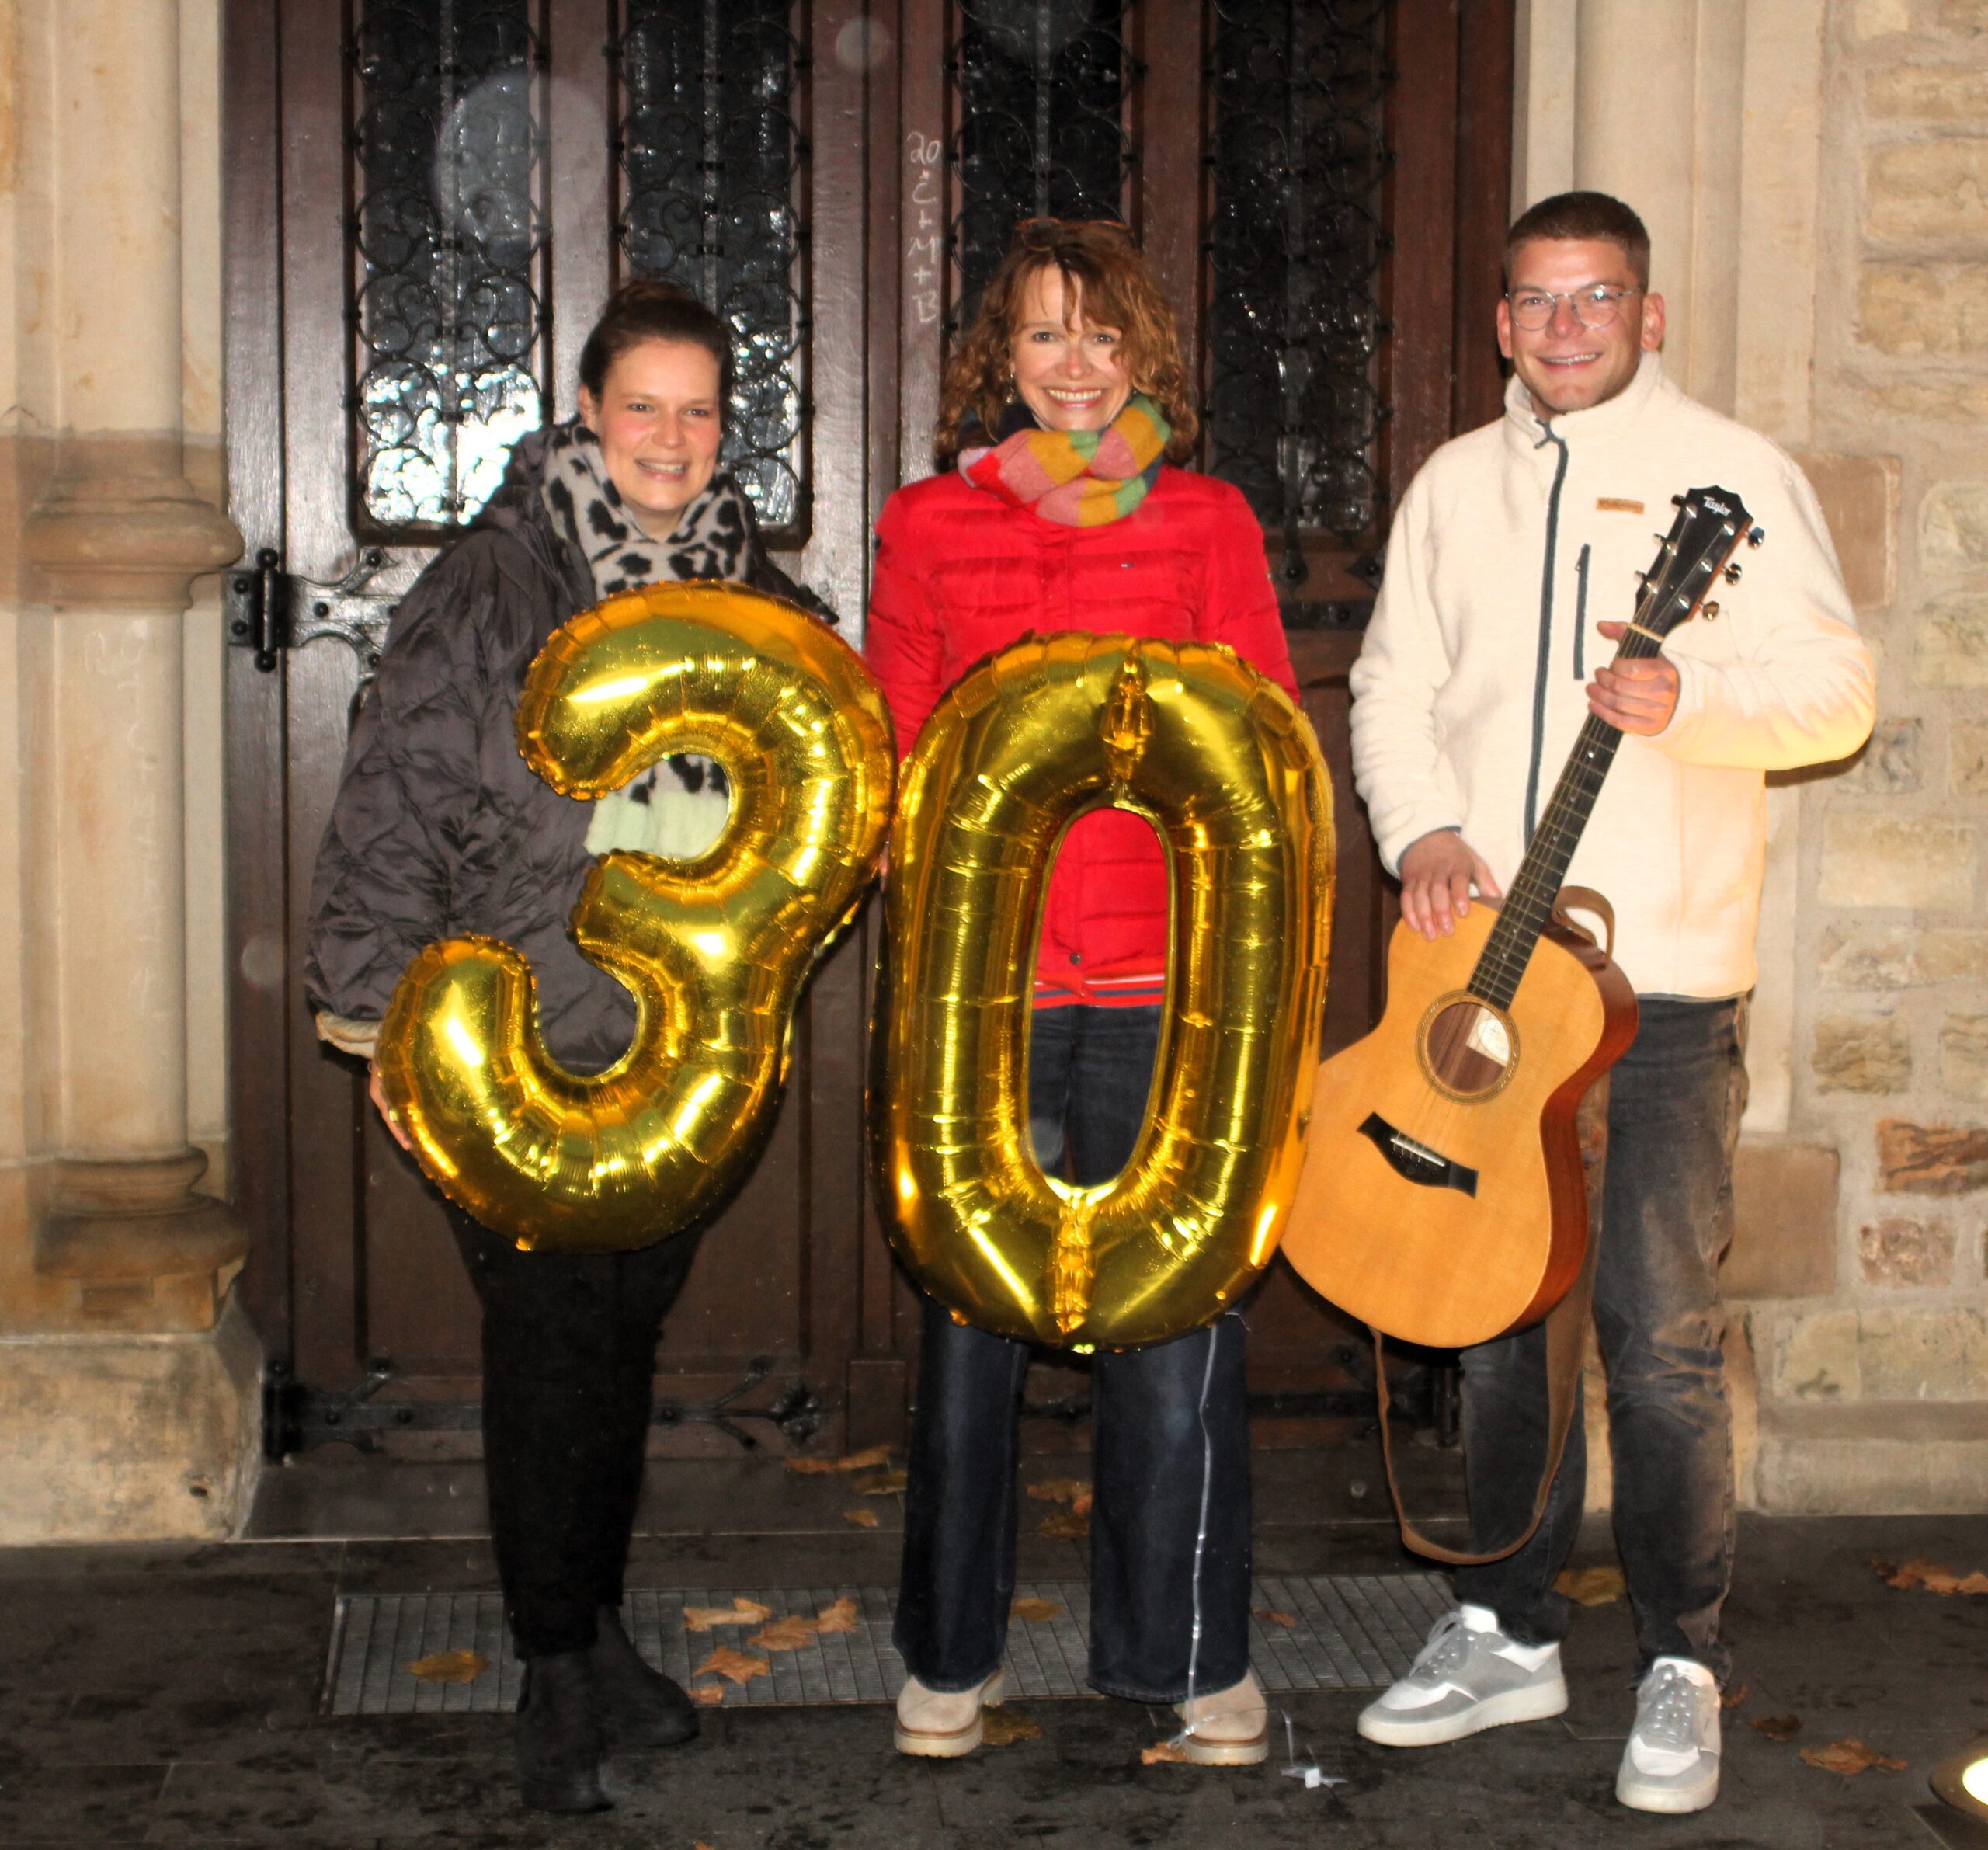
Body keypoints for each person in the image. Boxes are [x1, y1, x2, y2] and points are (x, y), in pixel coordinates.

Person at [1347, 192, 1875, 1814]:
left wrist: (1687, 698)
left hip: (1659, 998)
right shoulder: (1450, 486)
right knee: (1504, 1329)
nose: (1564, 326)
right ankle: (1504, 1630)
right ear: (1499, 322)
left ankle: (1678, 1660)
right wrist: (1421, 829)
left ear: (1646, 316)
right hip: (1488, 997)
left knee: (1652, 1339)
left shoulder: (1738, 478)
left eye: (1597, 299)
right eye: (1535, 301)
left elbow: (1837, 692)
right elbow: (1390, 685)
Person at [304, 281, 830, 1814]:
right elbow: (392, 804)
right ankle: (550, 1670)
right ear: (587, 413)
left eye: (698, 411)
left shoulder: (760, 606)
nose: (669, 438)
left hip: (684, 1045)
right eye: (642, 405)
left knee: (619, 1342)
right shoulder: (495, 582)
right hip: (518, 1029)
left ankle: (593, 1637)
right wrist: (375, 1011)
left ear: (725, 430)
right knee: (547, 1348)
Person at [864, 217, 1300, 1765]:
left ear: (1142, 354)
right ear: (1001, 356)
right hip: (985, 998)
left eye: (1096, 334)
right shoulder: (925, 524)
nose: (1069, 365)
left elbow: (1255, 742)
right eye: (1041, 335)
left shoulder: (1205, 522)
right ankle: (947, 1660)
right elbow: (903, 741)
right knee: (970, 1335)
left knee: (1172, 1325)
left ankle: (1189, 1663)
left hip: (1161, 988)